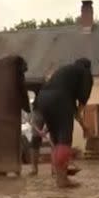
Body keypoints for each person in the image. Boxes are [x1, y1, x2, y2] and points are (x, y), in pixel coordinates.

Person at [35, 58, 93, 188]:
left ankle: (59, 176)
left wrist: (46, 127)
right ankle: (62, 180)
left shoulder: (63, 71)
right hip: (60, 100)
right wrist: (84, 127)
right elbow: (81, 105)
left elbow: (53, 107)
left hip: (42, 98)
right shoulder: (85, 73)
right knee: (64, 139)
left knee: (56, 141)